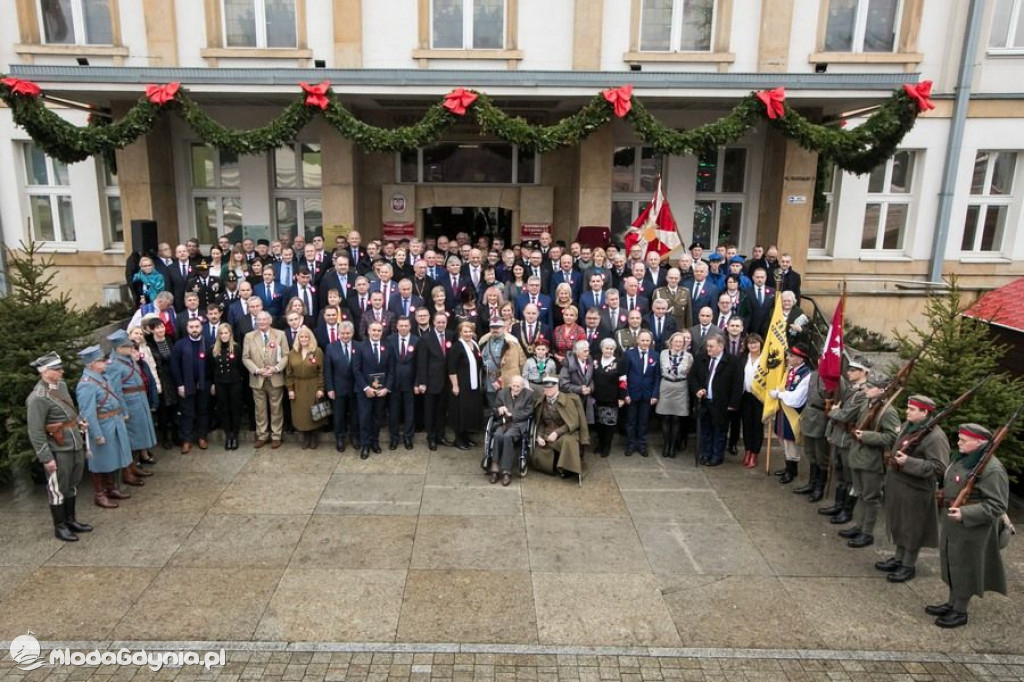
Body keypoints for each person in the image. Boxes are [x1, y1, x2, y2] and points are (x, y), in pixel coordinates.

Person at [927, 423, 1009, 629]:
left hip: (972, 527)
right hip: (953, 522)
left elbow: (997, 505)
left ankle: (960, 611)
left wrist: (965, 512)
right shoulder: (966, 459)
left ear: (980, 442)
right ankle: (952, 602)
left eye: (964, 440)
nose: (958, 442)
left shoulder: (991, 468)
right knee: (952, 562)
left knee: (965, 566)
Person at [876, 395, 950, 583]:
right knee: (900, 524)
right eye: (908, 407)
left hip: (915, 490)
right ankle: (898, 558)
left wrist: (909, 462)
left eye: (912, 409)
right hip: (899, 485)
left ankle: (908, 565)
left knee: (912, 529)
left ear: (925, 412)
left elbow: (939, 467)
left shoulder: (935, 436)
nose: (907, 411)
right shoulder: (910, 426)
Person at [27, 351, 91, 541]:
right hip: (58, 449)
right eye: (56, 369)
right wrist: (46, 457)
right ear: (45, 372)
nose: (61, 371)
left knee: (72, 483)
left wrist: (79, 422)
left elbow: (70, 412)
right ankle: (60, 526)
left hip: (74, 443)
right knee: (57, 488)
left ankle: (71, 520)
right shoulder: (37, 398)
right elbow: (36, 431)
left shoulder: (60, 386)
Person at [837, 375, 900, 549]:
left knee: (871, 497)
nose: (866, 389)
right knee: (860, 494)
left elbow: (893, 436)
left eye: (870, 387)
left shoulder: (888, 411)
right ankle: (859, 526)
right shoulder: (867, 404)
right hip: (858, 456)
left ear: (881, 390)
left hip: (872, 460)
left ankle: (867, 532)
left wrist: (866, 436)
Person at [76, 345, 133, 509]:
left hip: (113, 422)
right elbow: (87, 413)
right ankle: (99, 494)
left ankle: (111, 487)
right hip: (102, 425)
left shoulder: (101, 378)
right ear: (92, 364)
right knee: (99, 462)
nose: (106, 363)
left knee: (111, 457)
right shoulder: (86, 384)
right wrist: (96, 434)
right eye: (101, 361)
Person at [105, 329, 157, 483]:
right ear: (118, 348)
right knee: (130, 440)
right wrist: (123, 410)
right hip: (130, 405)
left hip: (139, 401)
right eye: (127, 346)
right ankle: (127, 472)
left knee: (139, 437)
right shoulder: (114, 364)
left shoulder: (126, 359)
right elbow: (116, 390)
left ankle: (134, 466)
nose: (131, 348)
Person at [692, 335, 743, 466]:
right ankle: (705, 453)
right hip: (705, 401)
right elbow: (693, 377)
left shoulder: (733, 361)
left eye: (711, 346)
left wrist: (733, 403)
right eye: (707, 346)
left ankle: (716, 456)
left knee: (719, 430)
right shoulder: (701, 359)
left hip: (722, 403)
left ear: (721, 347)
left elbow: (737, 384)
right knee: (705, 429)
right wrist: (697, 389)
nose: (708, 349)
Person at [242, 312, 288, 449]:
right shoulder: (249, 336)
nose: (261, 322)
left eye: (264, 319)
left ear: (270, 320)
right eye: (259, 320)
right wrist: (257, 370)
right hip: (258, 378)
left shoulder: (280, 335)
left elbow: (286, 355)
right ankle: (262, 435)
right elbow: (245, 357)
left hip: (275, 377)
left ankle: (276, 436)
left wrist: (275, 368)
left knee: (276, 409)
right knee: (260, 409)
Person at [530, 375, 589, 480]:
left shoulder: (569, 400)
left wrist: (557, 433)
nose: (548, 390)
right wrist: (538, 436)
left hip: (567, 432)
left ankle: (568, 468)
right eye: (546, 387)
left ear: (557, 387)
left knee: (567, 441)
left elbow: (573, 422)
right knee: (540, 460)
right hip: (547, 433)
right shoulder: (541, 401)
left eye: (551, 387)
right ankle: (557, 464)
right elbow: (541, 422)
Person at [769, 343, 812, 485]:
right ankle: (787, 466)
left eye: (791, 356)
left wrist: (779, 395)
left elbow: (796, 399)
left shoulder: (806, 375)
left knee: (790, 442)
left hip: (793, 413)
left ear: (800, 359)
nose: (787, 358)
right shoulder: (790, 370)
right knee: (783, 440)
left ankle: (792, 470)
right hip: (783, 412)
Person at [170, 317, 211, 454]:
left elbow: (212, 365)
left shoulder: (208, 343)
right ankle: (186, 440)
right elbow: (174, 366)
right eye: (191, 327)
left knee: (203, 411)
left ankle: (202, 437)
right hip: (186, 385)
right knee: (187, 413)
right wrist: (180, 384)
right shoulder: (180, 345)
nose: (194, 329)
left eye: (197, 326)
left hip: (204, 384)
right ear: (187, 329)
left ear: (201, 328)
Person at [416, 312, 454, 450]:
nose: (441, 325)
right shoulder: (425, 339)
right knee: (430, 411)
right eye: (438, 322)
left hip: (446, 382)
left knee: (442, 411)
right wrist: (422, 382)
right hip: (431, 382)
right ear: (433, 323)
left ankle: (441, 436)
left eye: (443, 322)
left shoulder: (450, 335)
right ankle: (431, 438)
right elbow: (422, 363)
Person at [286, 326, 327, 449]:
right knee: (301, 414)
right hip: (298, 386)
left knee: (313, 412)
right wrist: (290, 389)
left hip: (313, 385)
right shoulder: (292, 353)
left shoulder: (317, 351)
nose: (304, 339)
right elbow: (289, 373)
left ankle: (314, 436)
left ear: (310, 338)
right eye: (301, 337)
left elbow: (321, 372)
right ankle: (306, 437)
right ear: (298, 339)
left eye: (306, 337)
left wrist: (321, 388)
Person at [488, 375, 534, 486]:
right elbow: (494, 408)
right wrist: (499, 409)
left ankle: (506, 471)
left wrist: (512, 415)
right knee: (498, 435)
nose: (516, 388)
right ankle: (494, 469)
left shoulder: (529, 395)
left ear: (523, 386)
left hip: (519, 424)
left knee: (507, 437)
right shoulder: (502, 393)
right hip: (503, 422)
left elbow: (529, 412)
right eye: (514, 385)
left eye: (518, 386)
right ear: (510, 385)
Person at [353, 320, 390, 458]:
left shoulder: (387, 347)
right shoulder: (360, 347)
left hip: (381, 391)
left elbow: (390, 369)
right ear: (368, 331)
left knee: (377, 418)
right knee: (364, 418)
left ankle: (375, 442)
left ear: (382, 332)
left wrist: (386, 388)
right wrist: (366, 387)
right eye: (373, 330)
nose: (376, 333)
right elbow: (356, 370)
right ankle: (365, 445)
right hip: (365, 391)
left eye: (379, 330)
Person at [795, 365, 831, 501]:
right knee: (810, 452)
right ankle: (811, 483)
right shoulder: (814, 374)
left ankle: (819, 487)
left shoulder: (834, 377)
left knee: (821, 454)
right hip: (809, 414)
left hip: (822, 415)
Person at [622, 330, 660, 457]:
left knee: (644, 422)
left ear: (651, 342)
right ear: (638, 340)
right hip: (632, 394)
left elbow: (657, 377)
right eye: (642, 340)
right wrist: (625, 394)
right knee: (631, 421)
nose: (645, 343)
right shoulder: (629, 354)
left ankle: (642, 445)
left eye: (647, 340)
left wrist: (655, 395)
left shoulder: (655, 355)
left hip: (647, 395)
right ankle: (630, 445)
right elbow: (623, 376)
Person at [656, 332, 693, 459]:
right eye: (675, 341)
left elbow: (688, 372)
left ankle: (673, 447)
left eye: (680, 342)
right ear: (671, 342)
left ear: (684, 344)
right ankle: (666, 445)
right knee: (665, 417)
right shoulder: (663, 354)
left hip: (681, 387)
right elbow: (662, 369)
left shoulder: (689, 357)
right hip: (666, 386)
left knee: (677, 418)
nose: (678, 344)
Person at [447, 321, 484, 450]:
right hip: (461, 384)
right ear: (460, 333)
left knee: (469, 412)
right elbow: (451, 368)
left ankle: (466, 437)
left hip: (473, 385)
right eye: (465, 332)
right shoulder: (457, 347)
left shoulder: (474, 344)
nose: (468, 334)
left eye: (470, 331)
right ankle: (459, 439)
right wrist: (455, 385)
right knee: (460, 412)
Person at [143, 315, 178, 449]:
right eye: (156, 328)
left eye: (161, 326)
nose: (160, 330)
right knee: (164, 410)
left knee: (175, 408)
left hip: (173, 377)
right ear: (152, 330)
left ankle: (176, 435)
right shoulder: (149, 344)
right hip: (160, 378)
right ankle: (165, 437)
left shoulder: (170, 339)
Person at [385, 316, 418, 450]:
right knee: (393, 412)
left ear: (410, 327)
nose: (403, 328)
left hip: (410, 382)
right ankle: (394, 438)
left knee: (410, 411)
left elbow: (419, 364)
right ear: (396, 327)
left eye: (406, 325)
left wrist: (417, 382)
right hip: (393, 383)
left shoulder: (416, 340)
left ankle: (408, 437)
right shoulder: (389, 340)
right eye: (401, 326)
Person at [210, 322, 244, 450]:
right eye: (221, 333)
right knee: (224, 409)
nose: (224, 335)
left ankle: (235, 435)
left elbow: (240, 367)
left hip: (234, 382)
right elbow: (211, 368)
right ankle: (228, 435)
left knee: (235, 409)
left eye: (226, 333)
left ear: (230, 334)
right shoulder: (213, 349)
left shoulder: (236, 347)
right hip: (220, 383)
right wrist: (213, 383)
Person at [324, 320, 357, 452]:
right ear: (338, 334)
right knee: (339, 415)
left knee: (355, 414)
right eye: (342, 333)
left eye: (348, 333)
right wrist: (330, 388)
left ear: (352, 333)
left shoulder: (358, 346)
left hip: (355, 388)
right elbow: (328, 370)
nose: (345, 336)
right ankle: (340, 438)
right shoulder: (331, 347)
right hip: (338, 388)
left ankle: (355, 436)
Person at [479, 318, 527, 407]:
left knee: (507, 407)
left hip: (506, 381)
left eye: (498, 327)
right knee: (493, 407)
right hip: (489, 380)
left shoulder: (512, 342)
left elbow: (520, 363)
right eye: (493, 327)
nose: (495, 330)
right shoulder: (484, 342)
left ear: (503, 328)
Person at [591, 338, 626, 457]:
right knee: (599, 423)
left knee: (609, 424)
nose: (609, 351)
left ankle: (606, 447)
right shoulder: (595, 360)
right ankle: (600, 445)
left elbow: (623, 381)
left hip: (612, 398)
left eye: (611, 349)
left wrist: (622, 397)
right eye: (606, 348)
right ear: (602, 349)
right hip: (596, 398)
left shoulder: (619, 362)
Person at [740, 333, 765, 468]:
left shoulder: (765, 359)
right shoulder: (744, 358)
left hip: (759, 397)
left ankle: (755, 453)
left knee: (757, 426)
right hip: (746, 396)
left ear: (760, 343)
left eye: (755, 342)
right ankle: (747, 450)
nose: (753, 345)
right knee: (747, 425)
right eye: (750, 343)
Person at [559, 340, 595, 426]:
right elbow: (563, 385)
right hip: (573, 400)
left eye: (588, 350)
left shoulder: (589, 360)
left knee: (586, 426)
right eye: (585, 351)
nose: (587, 353)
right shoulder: (568, 363)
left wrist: (590, 388)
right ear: (577, 352)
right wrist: (579, 389)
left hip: (587, 400)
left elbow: (592, 380)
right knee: (574, 425)